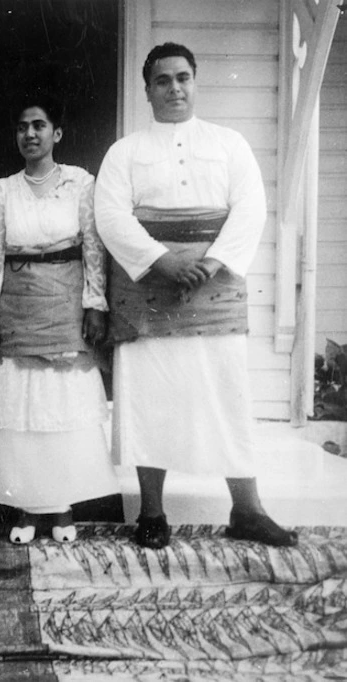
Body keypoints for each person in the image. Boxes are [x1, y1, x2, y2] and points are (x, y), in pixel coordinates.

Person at [94, 42, 297, 549]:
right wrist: (163, 261)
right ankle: (152, 513)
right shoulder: (125, 152)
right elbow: (112, 216)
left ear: (195, 81)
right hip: (149, 292)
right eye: (162, 80)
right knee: (148, 399)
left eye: (183, 77)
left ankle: (247, 509)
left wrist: (209, 262)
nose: (174, 88)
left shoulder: (229, 144)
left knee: (226, 396)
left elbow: (250, 208)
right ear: (147, 91)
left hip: (215, 288)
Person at [0, 95, 119, 545]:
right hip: (17, 307)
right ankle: (26, 507)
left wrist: (95, 302)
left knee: (60, 406)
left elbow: (94, 248)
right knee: (23, 408)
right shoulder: (3, 189)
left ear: (57, 133)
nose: (30, 134)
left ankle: (61, 507)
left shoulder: (80, 183)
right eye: (22, 127)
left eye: (39, 126)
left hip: (65, 304)